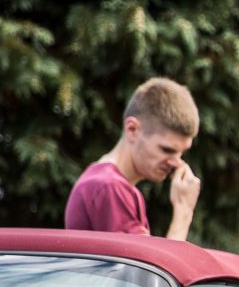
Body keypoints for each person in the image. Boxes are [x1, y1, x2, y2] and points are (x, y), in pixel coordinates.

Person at [64, 78, 203, 240]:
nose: (176, 162)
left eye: (181, 153)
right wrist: (183, 211)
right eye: (166, 150)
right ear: (132, 129)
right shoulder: (109, 187)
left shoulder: (113, 185)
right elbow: (154, 266)